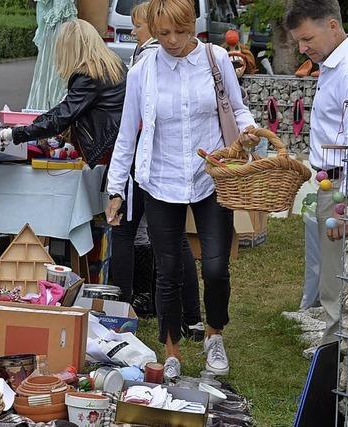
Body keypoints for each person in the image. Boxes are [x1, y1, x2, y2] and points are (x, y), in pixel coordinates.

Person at [106, 0, 258, 379]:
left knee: (216, 267)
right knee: (169, 268)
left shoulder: (216, 59)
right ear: (153, 31)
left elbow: (237, 110)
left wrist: (249, 131)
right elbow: (127, 134)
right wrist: (116, 189)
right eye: (163, 34)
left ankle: (214, 335)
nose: (173, 41)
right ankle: (171, 349)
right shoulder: (143, 71)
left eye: (181, 32)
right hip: (160, 180)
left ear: (193, 26)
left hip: (211, 177)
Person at [117, 1, 203, 340]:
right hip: (155, 160)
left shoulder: (151, 59)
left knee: (137, 234)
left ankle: (124, 309)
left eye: (138, 26)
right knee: (175, 240)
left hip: (152, 161)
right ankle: (191, 318)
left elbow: (138, 121)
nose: (135, 32)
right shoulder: (152, 57)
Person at [285, 0, 348, 345]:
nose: (303, 49)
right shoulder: (335, 64)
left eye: (307, 39)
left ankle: (336, 357)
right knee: (333, 275)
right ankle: (335, 348)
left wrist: (347, 204)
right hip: (330, 181)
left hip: (342, 187)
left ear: (332, 26)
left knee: (339, 280)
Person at [0, 19, 126, 169]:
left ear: (68, 48)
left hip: (100, 148)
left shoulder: (89, 75)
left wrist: (12, 134)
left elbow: (61, 117)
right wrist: (27, 127)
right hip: (113, 143)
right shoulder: (113, 66)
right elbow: (63, 111)